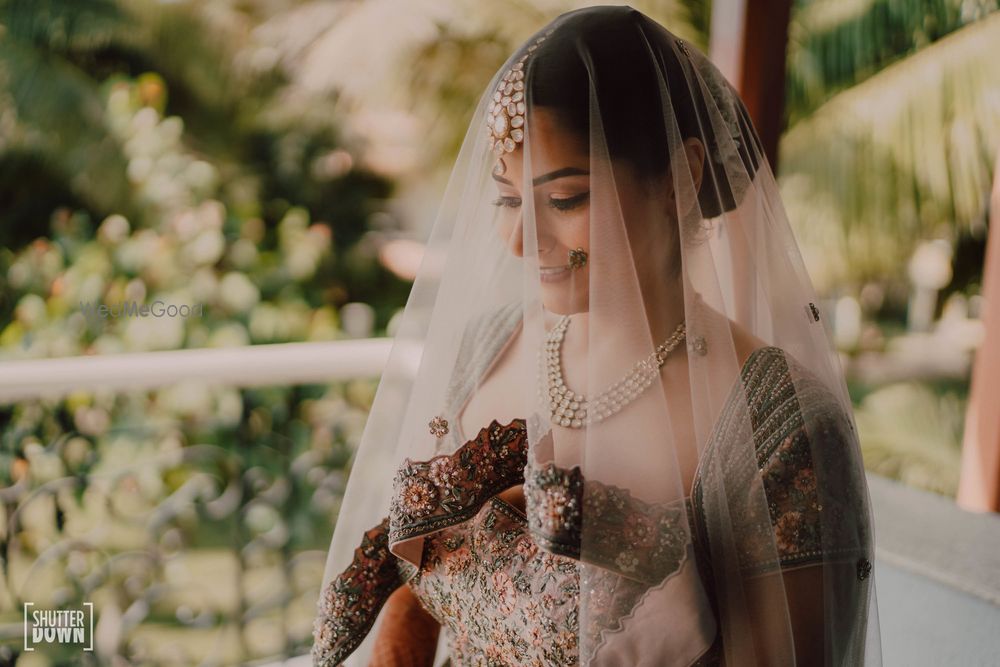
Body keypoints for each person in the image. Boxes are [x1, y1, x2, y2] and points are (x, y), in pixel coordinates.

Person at [312, 6, 881, 666]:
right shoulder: (484, 350)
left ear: (680, 177)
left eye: (565, 199)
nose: (523, 239)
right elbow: (415, 587)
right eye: (506, 199)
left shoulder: (778, 431)